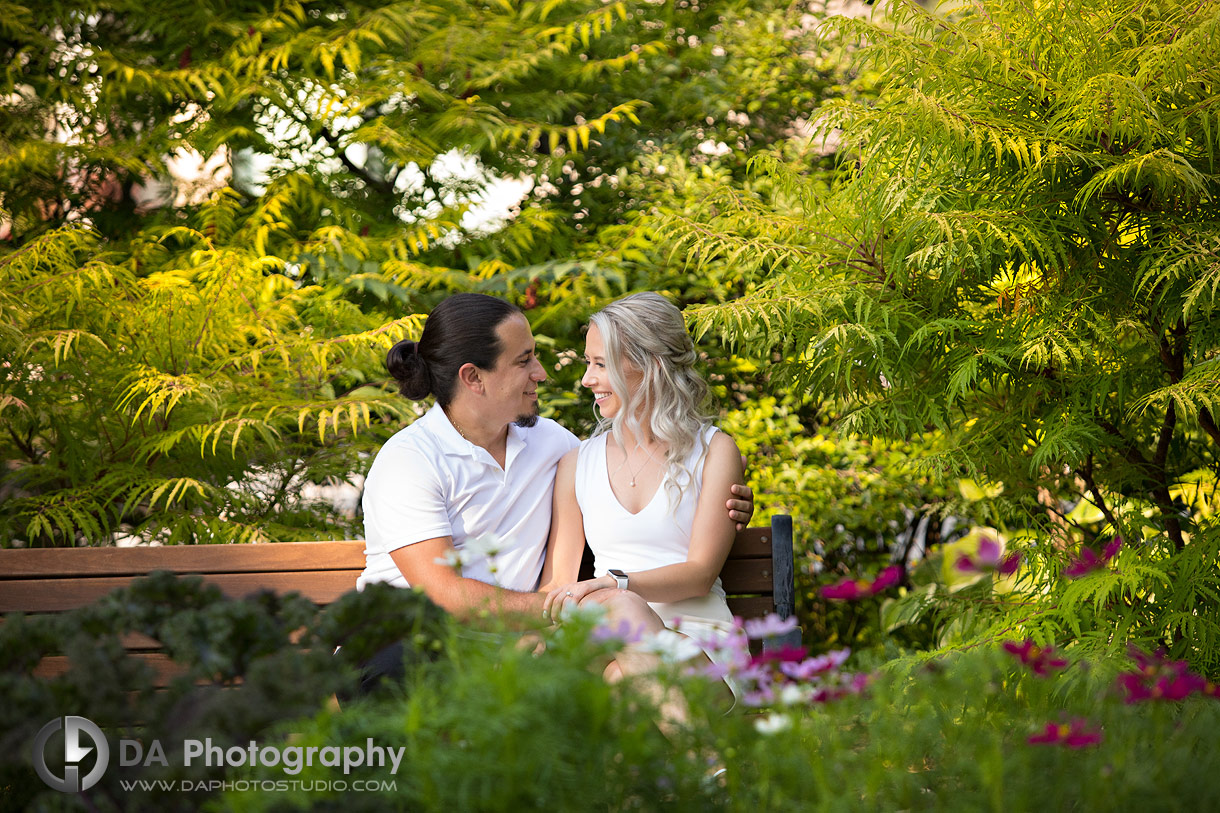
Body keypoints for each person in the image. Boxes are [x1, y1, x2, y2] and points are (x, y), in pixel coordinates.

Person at [357, 293, 752, 642]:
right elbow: (442, 594)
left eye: (601, 363)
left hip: (527, 642)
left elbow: (644, 487)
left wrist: (718, 488)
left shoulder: (553, 444)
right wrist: (571, 613)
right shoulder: (408, 461)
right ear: (473, 377)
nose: (543, 373)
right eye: (524, 360)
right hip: (411, 640)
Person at [539, 293, 745, 703]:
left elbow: (700, 573)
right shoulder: (577, 465)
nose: (587, 380)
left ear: (648, 366)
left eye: (601, 364)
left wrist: (617, 586)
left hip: (702, 650)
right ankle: (708, 765)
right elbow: (559, 585)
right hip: (607, 646)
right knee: (617, 671)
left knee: (623, 628)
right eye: (587, 363)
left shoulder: (714, 451)